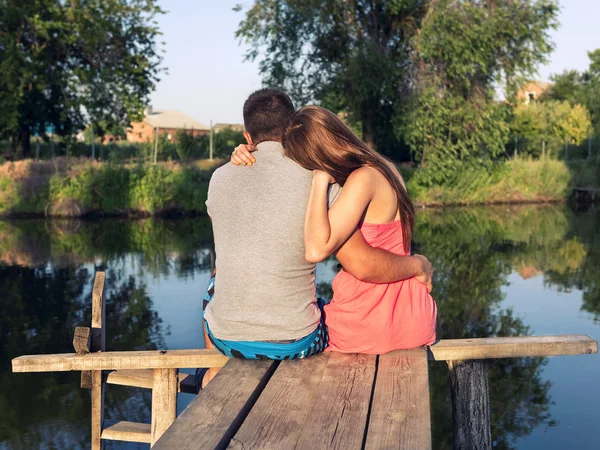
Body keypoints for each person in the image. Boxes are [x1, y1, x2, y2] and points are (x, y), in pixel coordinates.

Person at [201, 89, 433, 386]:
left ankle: (213, 372)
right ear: (292, 133)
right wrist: (418, 264)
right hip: (299, 343)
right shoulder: (324, 178)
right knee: (311, 308)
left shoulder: (219, 176)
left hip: (227, 341)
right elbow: (352, 259)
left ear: (248, 138)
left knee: (214, 283)